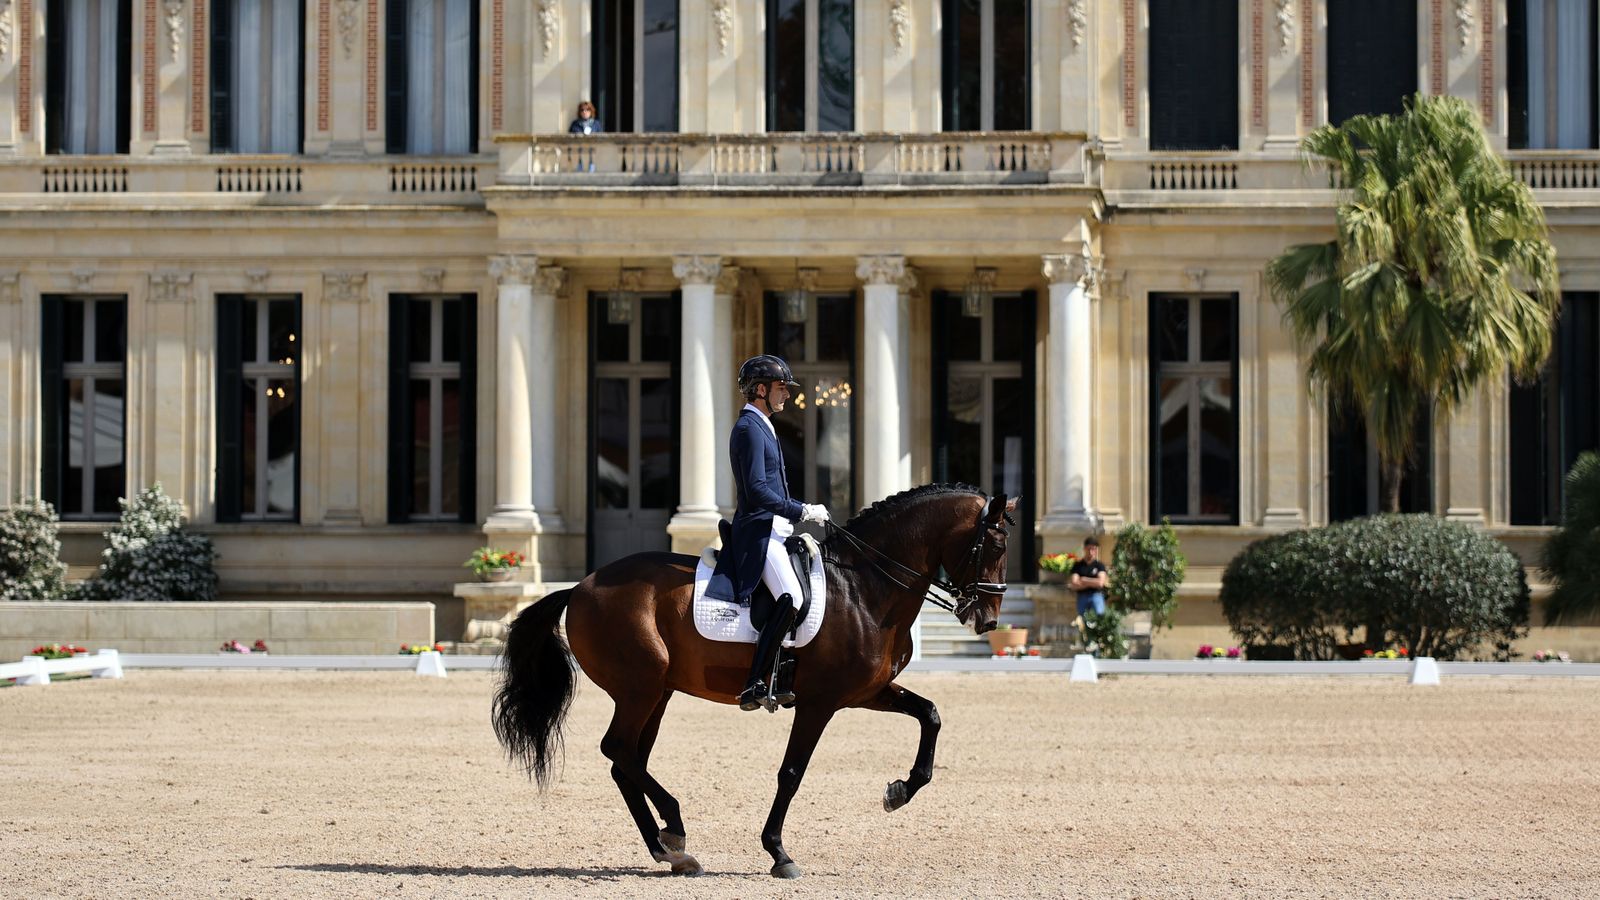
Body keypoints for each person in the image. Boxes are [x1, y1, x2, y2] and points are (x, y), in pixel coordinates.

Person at [705, 355, 831, 711]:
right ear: (760, 390)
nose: (786, 396)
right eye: (781, 389)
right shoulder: (748, 427)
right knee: (790, 596)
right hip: (758, 531)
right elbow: (758, 489)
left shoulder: (763, 424)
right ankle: (756, 681)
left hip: (776, 528)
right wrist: (801, 509)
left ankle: (784, 670)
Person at [1069, 536, 1110, 621]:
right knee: (1082, 621)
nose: (1091, 552)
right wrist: (1092, 583)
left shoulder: (1099, 565)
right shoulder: (1078, 565)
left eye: (1094, 549)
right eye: (1089, 549)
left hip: (1096, 595)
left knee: (1100, 618)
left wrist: (1084, 580)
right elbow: (1074, 583)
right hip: (1082, 596)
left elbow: (1100, 583)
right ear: (1084, 549)